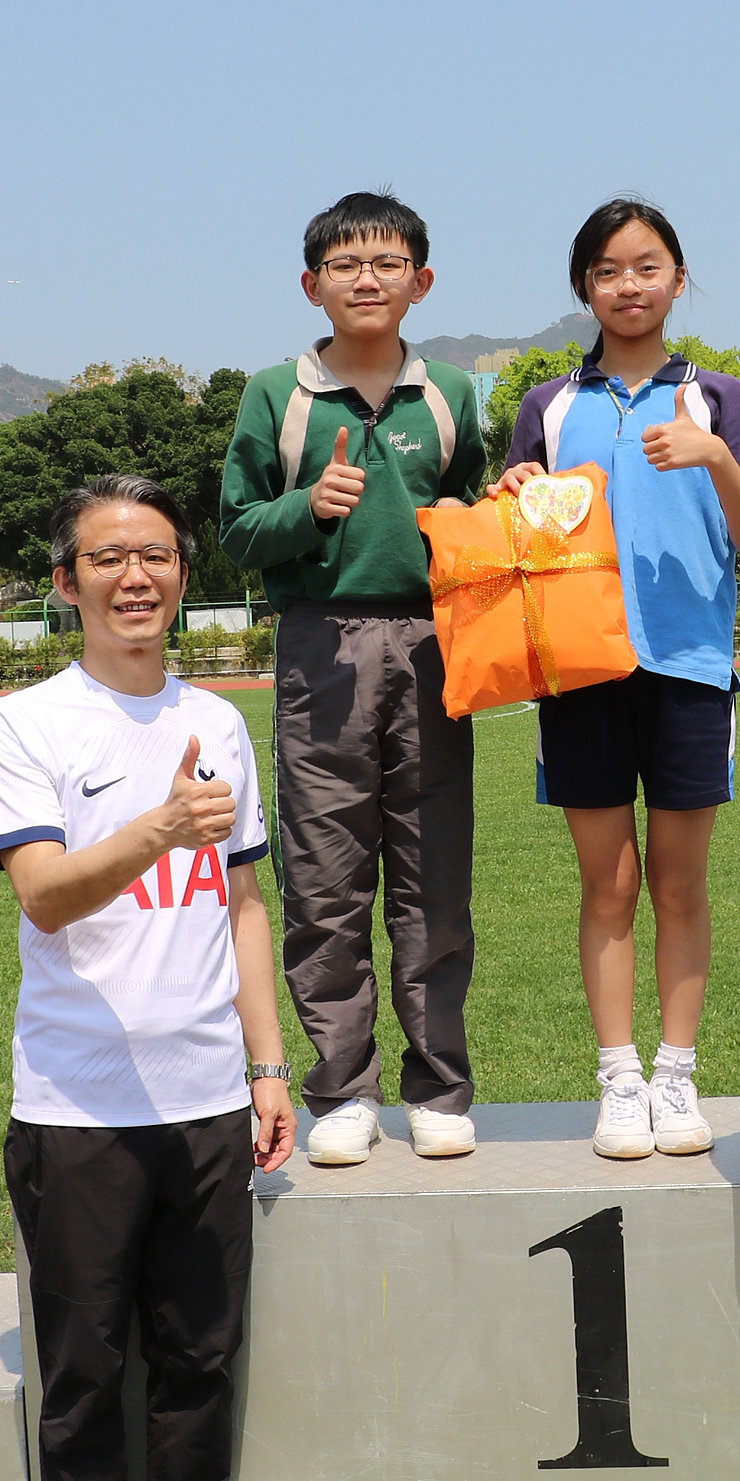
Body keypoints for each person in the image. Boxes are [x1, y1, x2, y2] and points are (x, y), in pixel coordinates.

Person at [0, 472, 300, 1481]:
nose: (135, 577)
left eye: (156, 555)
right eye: (108, 557)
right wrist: (159, 827)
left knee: (201, 1355)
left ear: (182, 574)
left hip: (208, 1099)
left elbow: (246, 903)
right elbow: (46, 894)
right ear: (67, 582)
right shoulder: (25, 726)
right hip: (77, 1108)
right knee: (85, 1367)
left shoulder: (218, 720)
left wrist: (267, 1065)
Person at [496, 199, 740, 1158]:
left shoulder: (720, 399)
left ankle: (676, 1075)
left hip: (690, 669)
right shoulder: (547, 407)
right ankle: (619, 1079)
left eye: (648, 266)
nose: (629, 285)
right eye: (609, 270)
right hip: (579, 673)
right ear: (585, 287)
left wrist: (715, 459)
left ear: (678, 279)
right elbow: (516, 543)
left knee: (680, 884)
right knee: (609, 885)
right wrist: (510, 494)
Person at [219, 192, 486, 1165]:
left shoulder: (450, 394)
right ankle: (342, 1092)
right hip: (319, 647)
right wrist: (309, 508)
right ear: (312, 285)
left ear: (421, 280)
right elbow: (236, 531)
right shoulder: (274, 395)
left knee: (433, 874)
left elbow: (467, 517)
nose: (366, 279)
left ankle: (438, 1088)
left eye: (386, 263)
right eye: (345, 265)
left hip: (432, 646)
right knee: (324, 877)